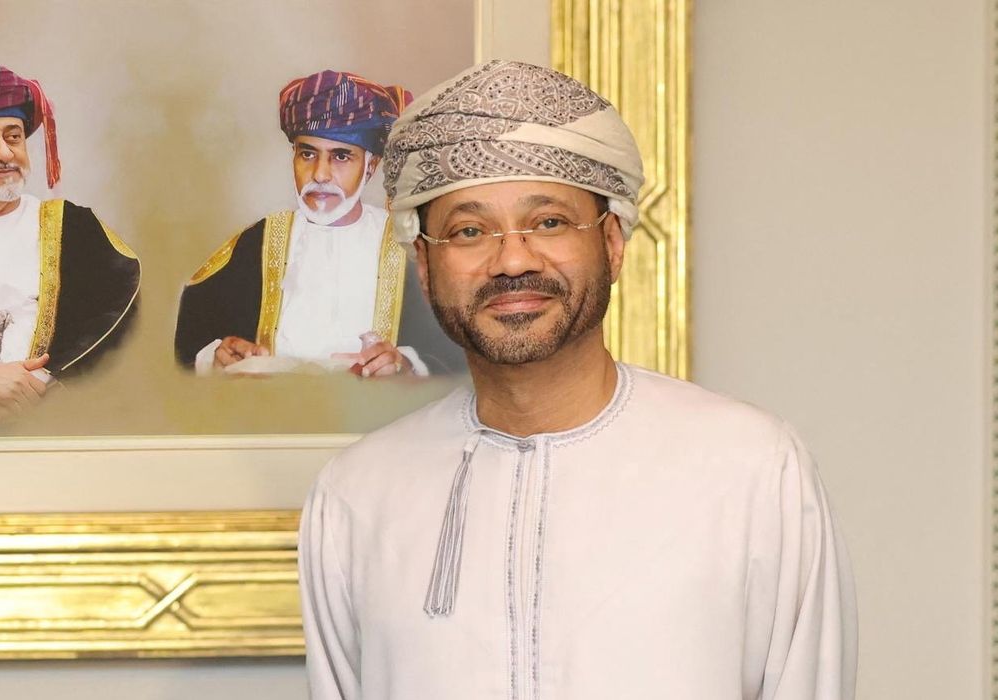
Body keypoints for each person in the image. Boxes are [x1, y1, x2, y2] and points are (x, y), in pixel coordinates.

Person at [299, 60, 857, 699]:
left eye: (549, 223)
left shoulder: (750, 469)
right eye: (469, 231)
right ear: (424, 265)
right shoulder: (357, 497)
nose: (512, 260)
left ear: (613, 242)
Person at [174, 70, 453, 377]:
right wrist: (217, 355)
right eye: (307, 154)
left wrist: (406, 363)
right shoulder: (258, 242)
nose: (320, 174)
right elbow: (191, 341)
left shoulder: (408, 247)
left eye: (341, 157)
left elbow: (453, 353)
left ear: (370, 166)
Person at [0, 63, 140, 420]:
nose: (5, 153)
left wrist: (31, 391)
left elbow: (120, 320)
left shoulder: (76, 229)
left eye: (14, 137)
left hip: (56, 427)